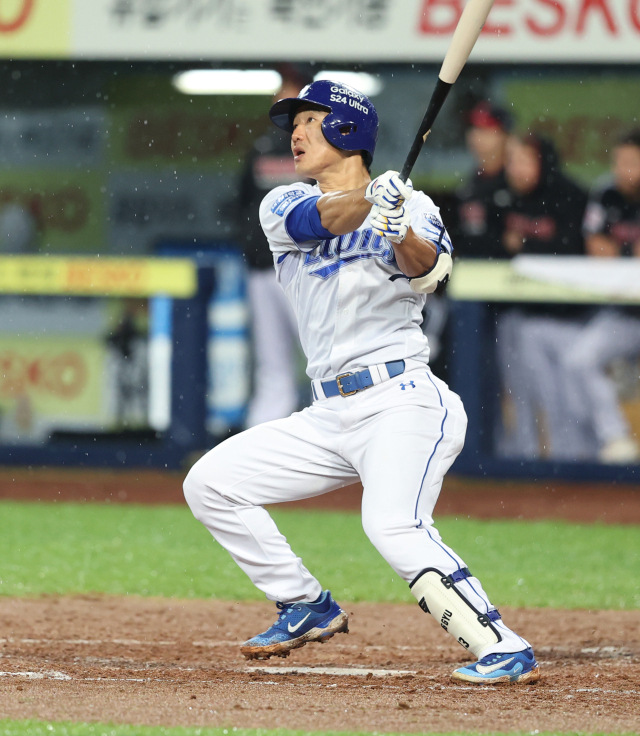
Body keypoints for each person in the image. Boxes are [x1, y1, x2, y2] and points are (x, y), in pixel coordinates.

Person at [184, 79, 540, 685]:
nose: (294, 133)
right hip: (328, 414)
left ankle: (502, 646)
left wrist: (399, 226)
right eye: (291, 123)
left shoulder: (416, 206)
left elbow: (431, 272)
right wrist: (374, 204)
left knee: (392, 524)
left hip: (404, 402)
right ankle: (304, 604)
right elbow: (323, 217)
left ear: (346, 128)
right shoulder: (281, 203)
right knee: (210, 483)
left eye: (308, 119)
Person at [494, 133, 591, 459]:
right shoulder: (505, 196)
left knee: (571, 394)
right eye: (511, 161)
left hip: (573, 317)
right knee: (525, 391)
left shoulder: (571, 194)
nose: (515, 169)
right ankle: (526, 463)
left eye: (523, 161)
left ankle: (580, 462)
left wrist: (525, 245)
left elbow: (575, 251)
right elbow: (488, 247)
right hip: (526, 315)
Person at [239, 65, 313, 427]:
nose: (282, 99)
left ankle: (346, 439)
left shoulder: (318, 150)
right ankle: (260, 441)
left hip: (305, 270)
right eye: (281, 92)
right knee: (271, 365)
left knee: (323, 359)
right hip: (261, 269)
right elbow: (240, 205)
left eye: (292, 93)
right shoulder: (261, 147)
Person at [562, 129, 640, 463]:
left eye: (632, 162)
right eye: (619, 160)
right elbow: (596, 247)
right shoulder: (606, 191)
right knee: (577, 361)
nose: (624, 168)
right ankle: (615, 439)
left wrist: (616, 250)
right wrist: (627, 251)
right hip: (622, 312)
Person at [456, 102, 512, 258]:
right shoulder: (469, 185)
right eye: (473, 128)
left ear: (503, 135)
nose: (475, 135)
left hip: (515, 275)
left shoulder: (517, 182)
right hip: (472, 273)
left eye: (485, 129)